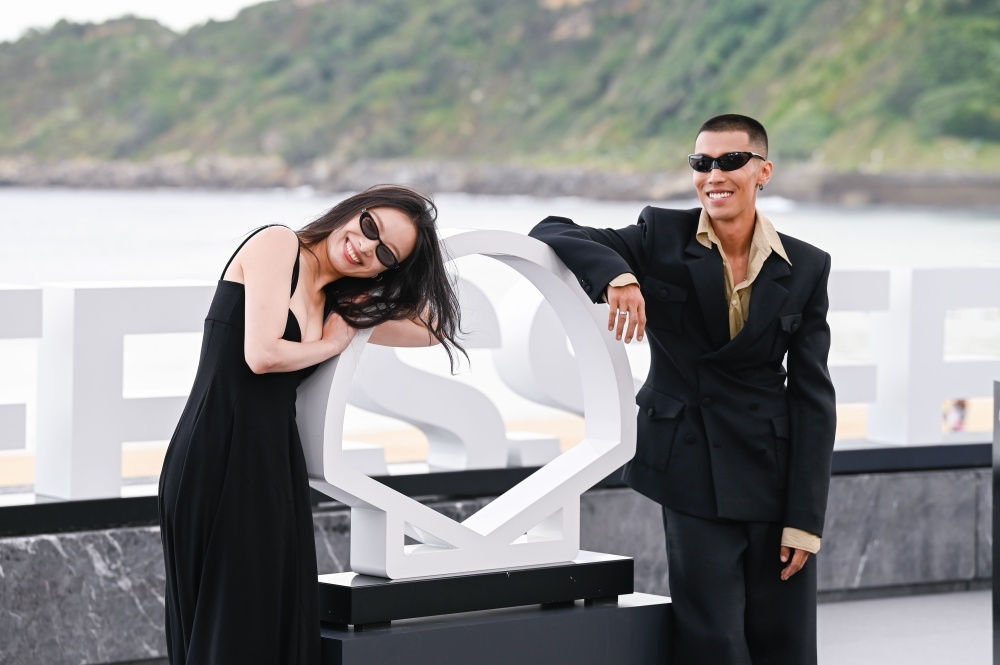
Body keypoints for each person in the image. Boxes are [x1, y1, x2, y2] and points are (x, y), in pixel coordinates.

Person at [529, 114, 836, 664]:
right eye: (701, 162)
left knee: (785, 638)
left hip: (772, 467)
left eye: (730, 161)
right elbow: (552, 229)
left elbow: (813, 397)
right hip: (689, 465)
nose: (713, 175)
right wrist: (618, 275)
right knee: (713, 637)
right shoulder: (659, 236)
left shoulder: (807, 265)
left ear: (763, 171)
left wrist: (805, 519)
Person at [157, 184, 463, 664]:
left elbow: (434, 328)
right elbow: (261, 355)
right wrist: (331, 344)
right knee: (227, 624)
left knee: (269, 623)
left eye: (385, 253)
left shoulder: (340, 306)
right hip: (214, 455)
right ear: (353, 209)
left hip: (273, 467)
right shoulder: (278, 244)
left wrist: (380, 295)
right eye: (369, 226)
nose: (365, 247)